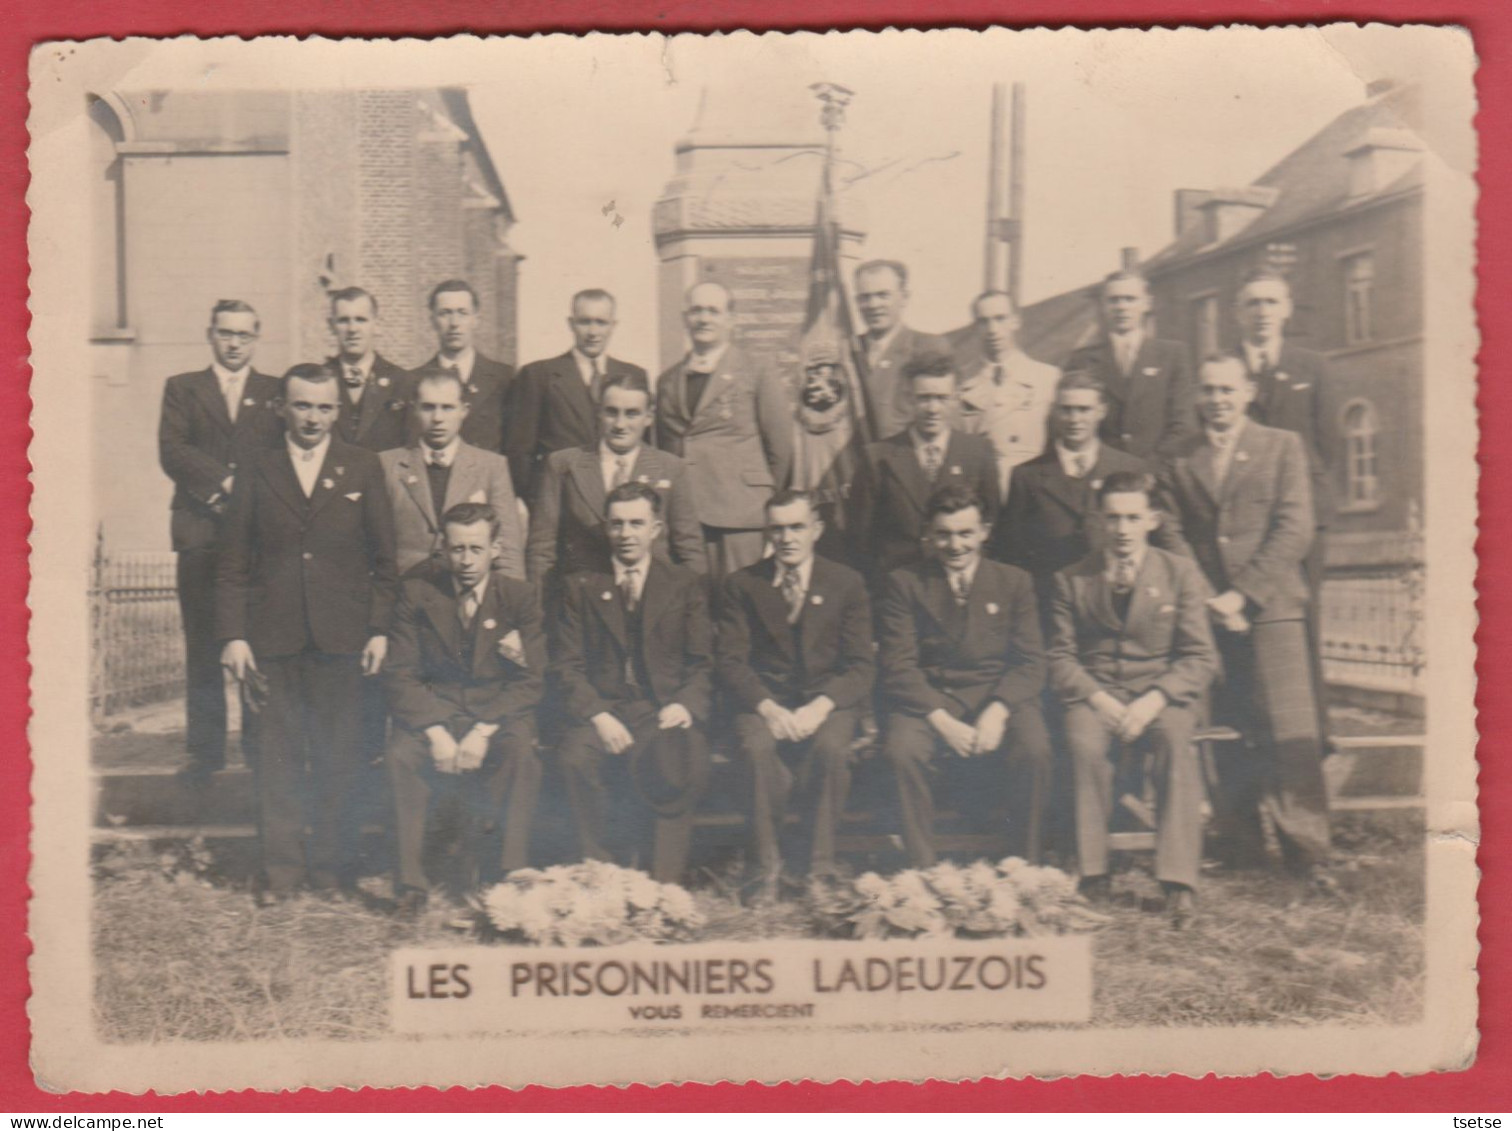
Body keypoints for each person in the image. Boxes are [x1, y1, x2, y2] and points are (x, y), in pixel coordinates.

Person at [216, 363, 398, 903]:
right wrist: (235, 635)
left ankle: (330, 872)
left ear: (337, 412)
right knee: (277, 760)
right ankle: (282, 876)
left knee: (340, 759)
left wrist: (379, 629)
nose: (313, 417)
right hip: (272, 641)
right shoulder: (256, 466)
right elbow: (232, 563)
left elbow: (385, 561)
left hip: (343, 641)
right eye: (302, 405)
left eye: (324, 407)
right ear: (281, 409)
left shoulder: (362, 467)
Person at [1156, 355, 1331, 876]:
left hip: (1272, 608)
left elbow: (1295, 527)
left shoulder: (1281, 446)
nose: (1217, 400)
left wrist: (1243, 595)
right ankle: (1241, 845)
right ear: (1197, 397)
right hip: (1207, 614)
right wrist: (1208, 597)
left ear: (1248, 391)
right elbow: (1169, 531)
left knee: (1289, 733)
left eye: (1227, 389)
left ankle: (1309, 854)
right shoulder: (1178, 458)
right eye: (1208, 390)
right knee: (1225, 734)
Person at [1047, 472, 1219, 929]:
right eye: (1113, 518)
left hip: (1160, 696)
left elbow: (1201, 657)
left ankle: (1179, 883)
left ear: (1152, 520)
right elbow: (1061, 657)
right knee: (1083, 746)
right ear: (1099, 522)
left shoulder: (1179, 573)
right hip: (1098, 693)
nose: (1122, 530)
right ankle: (1093, 872)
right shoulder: (1071, 578)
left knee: (1176, 745)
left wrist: (1154, 701)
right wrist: (1100, 701)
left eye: (1132, 518)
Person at [383, 503, 546, 916]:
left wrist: (484, 729)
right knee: (402, 755)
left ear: (496, 548)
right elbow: (400, 675)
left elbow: (531, 680)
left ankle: (507, 873)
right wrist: (437, 733)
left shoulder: (520, 598)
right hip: (435, 710)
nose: (466, 560)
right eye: (457, 549)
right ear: (443, 548)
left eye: (476, 549)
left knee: (520, 751)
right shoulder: (418, 595)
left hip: (496, 712)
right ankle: (412, 884)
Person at [877, 484, 1052, 867]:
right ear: (928, 533)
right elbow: (898, 666)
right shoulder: (905, 583)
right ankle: (922, 872)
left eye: (965, 533)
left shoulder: (1014, 581)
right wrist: (941, 721)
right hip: (932, 698)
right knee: (901, 751)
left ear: (985, 532)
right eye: (943, 534)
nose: (955, 545)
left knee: (1035, 747)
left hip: (996, 694)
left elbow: (1030, 661)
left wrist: (999, 709)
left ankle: (1024, 866)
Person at [715, 490, 875, 898]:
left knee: (832, 749)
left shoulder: (846, 583)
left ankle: (816, 869)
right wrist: (767, 708)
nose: (786, 538)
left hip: (826, 700)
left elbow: (861, 665)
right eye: (778, 529)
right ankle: (764, 868)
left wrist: (821, 707)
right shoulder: (741, 585)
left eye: (796, 527)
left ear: (816, 530)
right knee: (754, 748)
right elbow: (732, 662)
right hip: (763, 700)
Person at [553, 483, 714, 883]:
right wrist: (598, 715)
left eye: (637, 524)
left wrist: (684, 704)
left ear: (656, 528)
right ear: (606, 529)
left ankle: (663, 884)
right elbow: (566, 666)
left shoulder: (683, 583)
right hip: (603, 709)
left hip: (660, 708)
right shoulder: (581, 585)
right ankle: (598, 875)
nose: (626, 534)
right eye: (618, 524)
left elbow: (702, 663)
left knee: (677, 756)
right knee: (574, 758)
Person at [158, 299, 283, 782]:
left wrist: (248, 493)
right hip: (201, 532)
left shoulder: (273, 392)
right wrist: (224, 486)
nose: (234, 343)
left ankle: (258, 747)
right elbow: (173, 450)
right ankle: (205, 751)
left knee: (257, 640)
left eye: (244, 335)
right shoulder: (183, 389)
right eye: (226, 333)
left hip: (256, 538)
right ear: (210, 334)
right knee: (204, 643)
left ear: (257, 338)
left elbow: (280, 452)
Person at [995, 371, 1178, 605]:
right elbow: (1012, 551)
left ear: (1101, 411)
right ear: (1054, 411)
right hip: (1050, 600)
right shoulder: (1026, 476)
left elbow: (1158, 539)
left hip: (1118, 600)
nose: (1074, 419)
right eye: (1066, 409)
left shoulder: (1131, 468)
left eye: (1084, 410)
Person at [526, 371, 704, 603]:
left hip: (654, 602)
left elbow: (689, 548)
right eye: (612, 412)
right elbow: (542, 550)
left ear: (649, 417)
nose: (620, 424)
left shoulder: (670, 468)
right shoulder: (564, 465)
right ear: (598, 413)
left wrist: (694, 609)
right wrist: (539, 613)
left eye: (632, 414)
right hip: (582, 602)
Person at [656, 281, 794, 575]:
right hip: (684, 517)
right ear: (685, 319)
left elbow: (780, 447)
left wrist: (765, 504)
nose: (704, 318)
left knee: (742, 602)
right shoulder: (667, 381)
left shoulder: (757, 369)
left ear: (731, 318)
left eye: (713, 311)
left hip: (741, 514)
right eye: (696, 311)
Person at [848, 354, 1000, 578]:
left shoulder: (978, 453)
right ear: (909, 399)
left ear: (956, 398)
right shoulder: (878, 458)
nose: (932, 408)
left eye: (941, 398)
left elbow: (992, 525)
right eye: (924, 398)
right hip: (899, 586)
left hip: (960, 585)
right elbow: (860, 539)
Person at [380, 369, 525, 577]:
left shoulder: (491, 466)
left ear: (464, 410)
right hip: (404, 594)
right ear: (414, 409)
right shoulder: (386, 464)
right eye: (428, 408)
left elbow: (508, 550)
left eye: (447, 408)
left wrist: (505, 604)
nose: (438, 418)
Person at [506, 289, 647, 503]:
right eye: (584, 322)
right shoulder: (539, 375)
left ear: (613, 325)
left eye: (601, 322)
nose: (593, 331)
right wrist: (534, 501)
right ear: (571, 324)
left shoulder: (633, 375)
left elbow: (645, 445)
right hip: (561, 498)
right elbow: (520, 450)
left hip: (623, 499)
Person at [1062, 270, 1196, 460]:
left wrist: (1149, 470)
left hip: (1157, 476)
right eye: (1114, 300)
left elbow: (1183, 425)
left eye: (1130, 299)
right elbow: (1068, 425)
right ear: (1103, 305)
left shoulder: (1173, 355)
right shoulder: (1082, 360)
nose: (1121, 307)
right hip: (1101, 476)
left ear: (1146, 304)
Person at [956, 291, 1061, 501]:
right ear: (975, 327)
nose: (993, 330)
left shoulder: (1048, 378)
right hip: (980, 489)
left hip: (1032, 489)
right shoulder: (962, 382)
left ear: (1016, 321)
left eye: (1000, 319)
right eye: (984, 322)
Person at [851, 259, 953, 440]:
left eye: (883, 295)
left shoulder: (928, 347)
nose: (873, 305)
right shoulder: (849, 351)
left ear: (904, 297)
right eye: (865, 297)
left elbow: (945, 419)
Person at [412, 279, 515, 456]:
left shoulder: (505, 378)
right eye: (445, 313)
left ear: (476, 320)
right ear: (432, 320)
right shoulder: (414, 380)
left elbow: (514, 446)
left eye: (462, 313)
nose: (454, 323)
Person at [326, 286, 413, 453]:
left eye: (361, 320)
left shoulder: (403, 382)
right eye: (344, 320)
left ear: (376, 324)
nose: (352, 329)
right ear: (332, 326)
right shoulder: (319, 382)